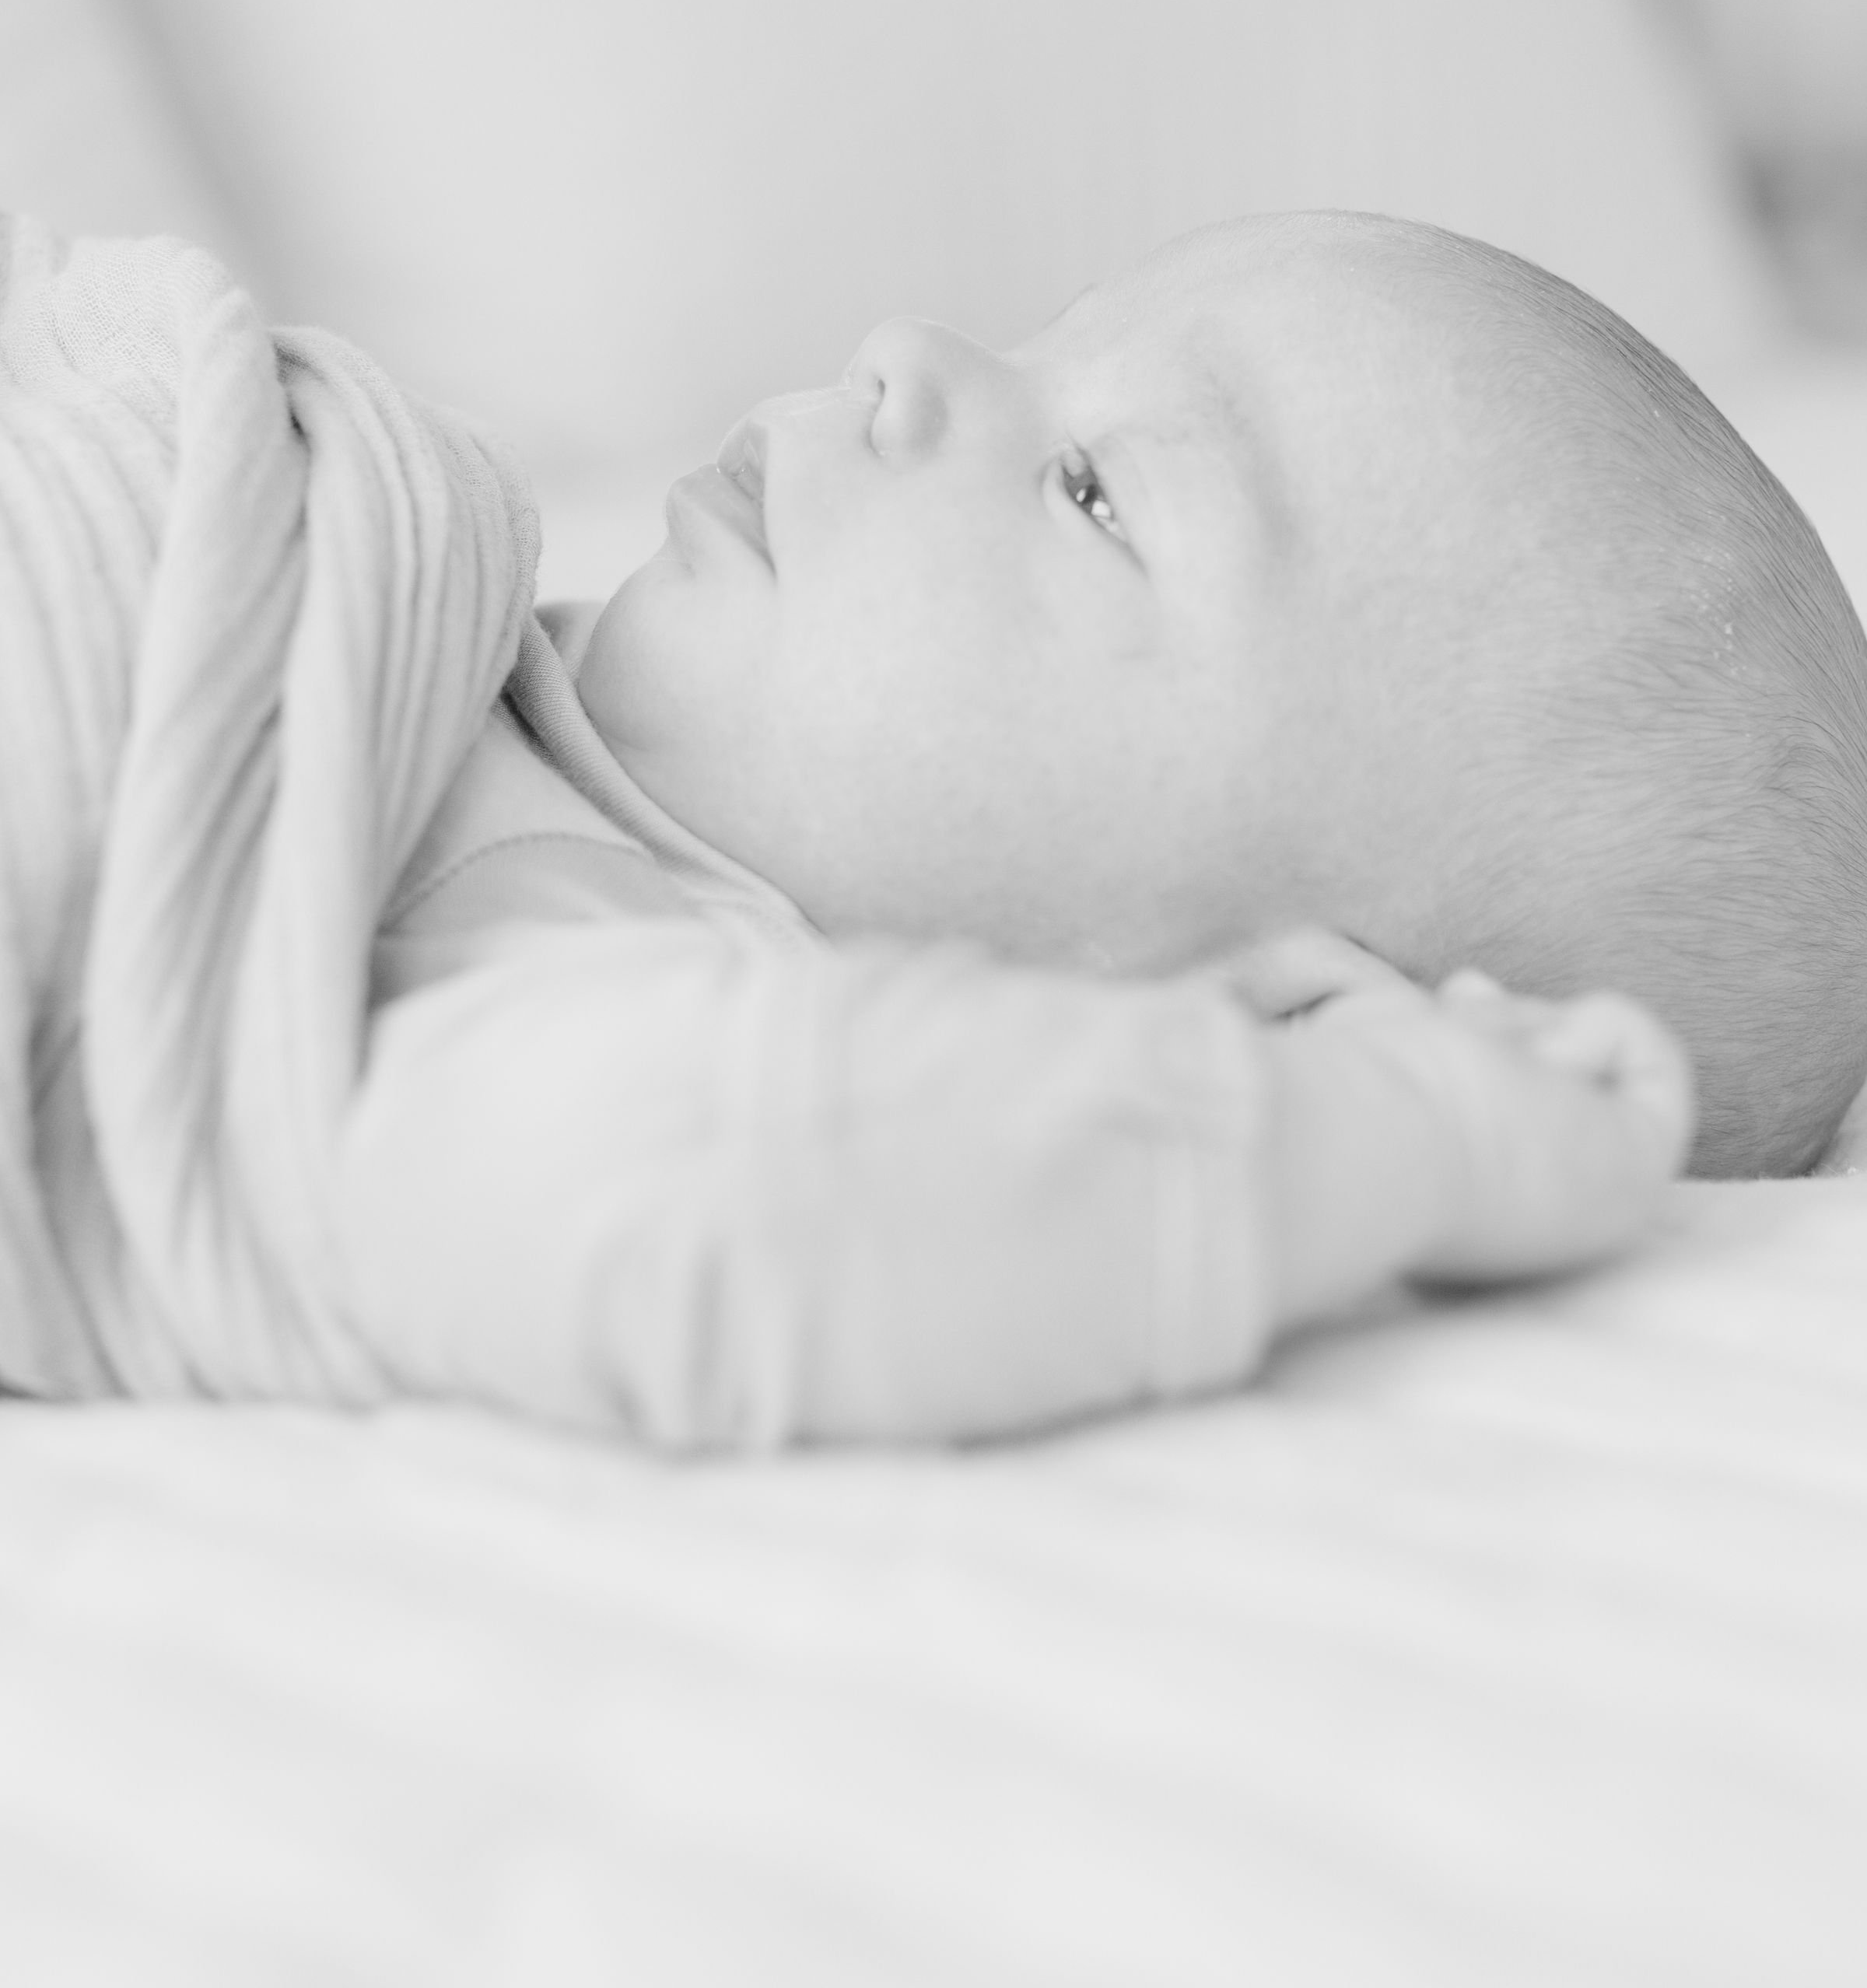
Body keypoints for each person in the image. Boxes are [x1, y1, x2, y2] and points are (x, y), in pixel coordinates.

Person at [352, 213, 1867, 1447]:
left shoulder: (590, 981)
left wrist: (1398, 1140)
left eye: (1091, 493)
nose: (909, 357)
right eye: (1049, 342)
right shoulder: (457, 636)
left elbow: (711, 1195)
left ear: (1251, 1028)